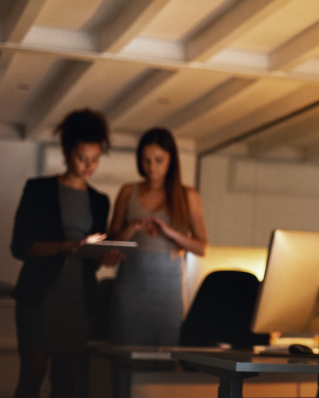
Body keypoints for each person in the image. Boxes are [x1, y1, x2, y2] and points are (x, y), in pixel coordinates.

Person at [11, 109, 117, 398]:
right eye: (83, 158)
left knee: (67, 383)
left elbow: (89, 262)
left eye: (95, 159)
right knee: (32, 377)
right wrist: (68, 245)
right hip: (40, 297)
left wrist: (102, 258)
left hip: (79, 301)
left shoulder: (99, 200)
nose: (89, 166)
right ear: (67, 152)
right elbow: (19, 247)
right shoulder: (38, 190)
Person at [108, 128, 207, 345]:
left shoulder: (187, 195)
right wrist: (134, 226)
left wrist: (169, 232)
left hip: (167, 289)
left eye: (158, 160)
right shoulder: (128, 191)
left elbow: (201, 247)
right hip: (131, 284)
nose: (152, 167)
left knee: (164, 358)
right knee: (125, 355)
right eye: (146, 160)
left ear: (171, 159)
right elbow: (111, 244)